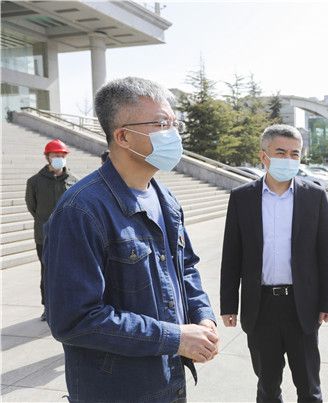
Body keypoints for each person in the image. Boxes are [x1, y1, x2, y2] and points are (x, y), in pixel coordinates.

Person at [43, 77, 219, 402]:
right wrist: (175, 337)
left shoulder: (165, 198)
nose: (173, 134)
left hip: (168, 380)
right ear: (123, 136)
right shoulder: (81, 210)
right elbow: (75, 319)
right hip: (118, 389)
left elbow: (186, 268)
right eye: (162, 124)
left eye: (174, 124)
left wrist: (202, 316)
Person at [220, 124, 328, 402]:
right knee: (268, 387)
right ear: (264, 156)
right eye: (281, 152)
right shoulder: (242, 198)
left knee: (309, 388)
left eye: (295, 154)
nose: (289, 159)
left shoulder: (314, 196)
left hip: (302, 305)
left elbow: (327, 254)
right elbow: (232, 255)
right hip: (260, 307)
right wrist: (229, 304)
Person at [25, 139, 77, 321]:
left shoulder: (73, 181)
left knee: (69, 271)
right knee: (47, 272)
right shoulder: (34, 182)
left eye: (62, 155)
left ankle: (69, 305)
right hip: (44, 236)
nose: (59, 158)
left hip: (68, 235)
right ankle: (48, 307)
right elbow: (32, 207)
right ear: (47, 157)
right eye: (56, 155)